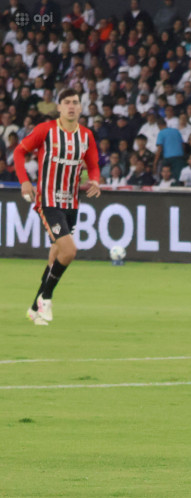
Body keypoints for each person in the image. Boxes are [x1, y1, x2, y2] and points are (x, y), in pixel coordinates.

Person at [14, 88, 101, 326]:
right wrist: (24, 181)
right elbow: (19, 152)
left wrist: (95, 180)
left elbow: (93, 165)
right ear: (59, 107)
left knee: (56, 254)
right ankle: (47, 298)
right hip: (48, 201)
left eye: (75, 102)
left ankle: (34, 307)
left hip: (71, 203)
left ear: (81, 108)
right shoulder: (46, 130)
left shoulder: (86, 136)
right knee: (69, 251)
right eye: (67, 102)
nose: (71, 106)